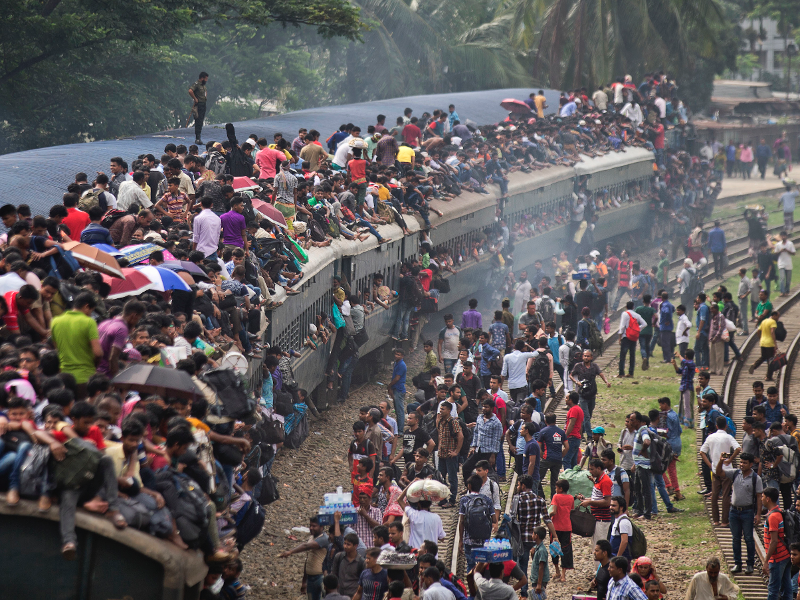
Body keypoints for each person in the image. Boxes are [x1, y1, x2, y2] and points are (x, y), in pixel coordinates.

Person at [50, 291, 103, 399]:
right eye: (91, 311)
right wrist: (94, 366)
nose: (90, 314)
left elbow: (57, 349)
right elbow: (97, 353)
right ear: (86, 306)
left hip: (63, 377)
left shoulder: (55, 321)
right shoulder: (89, 322)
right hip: (84, 376)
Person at [717, 451, 762, 575]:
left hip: (747, 511)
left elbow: (759, 497)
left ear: (751, 464)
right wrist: (721, 461)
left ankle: (750, 564)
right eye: (741, 462)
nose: (742, 464)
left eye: (745, 463)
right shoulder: (735, 473)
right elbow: (719, 473)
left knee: (748, 538)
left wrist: (758, 514)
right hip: (734, 511)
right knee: (736, 538)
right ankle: (737, 563)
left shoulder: (755, 478)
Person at [278, 516, 330, 600]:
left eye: (314, 526)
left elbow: (306, 546)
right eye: (310, 525)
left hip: (320, 577)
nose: (311, 528)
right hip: (310, 577)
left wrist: (290, 552)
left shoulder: (324, 539)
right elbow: (308, 559)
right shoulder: (312, 537)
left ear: (321, 527)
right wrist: (304, 581)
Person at [570, 348, 611, 436]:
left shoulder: (594, 366)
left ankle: (582, 431)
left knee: (589, 414)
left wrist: (606, 382)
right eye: (585, 356)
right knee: (586, 415)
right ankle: (589, 435)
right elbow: (571, 375)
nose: (586, 358)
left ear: (591, 357)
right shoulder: (578, 366)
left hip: (592, 393)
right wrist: (577, 382)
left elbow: (601, 374)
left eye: (588, 356)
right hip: (582, 393)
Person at [762, 487, 793, 600]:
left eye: (763, 497)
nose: (762, 499)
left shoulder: (773, 516)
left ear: (768, 499)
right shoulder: (778, 511)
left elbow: (774, 541)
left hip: (777, 558)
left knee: (773, 590)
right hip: (785, 555)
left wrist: (766, 561)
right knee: (787, 588)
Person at [617, 303, 647, 378]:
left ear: (626, 307)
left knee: (623, 355)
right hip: (633, 337)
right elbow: (644, 324)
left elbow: (622, 326)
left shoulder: (625, 314)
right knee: (632, 355)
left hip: (626, 336)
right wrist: (637, 329)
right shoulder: (636, 315)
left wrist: (620, 336)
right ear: (633, 307)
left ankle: (621, 373)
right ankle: (631, 373)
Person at [749, 309, 780, 380]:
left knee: (763, 357)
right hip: (769, 343)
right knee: (771, 360)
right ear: (774, 316)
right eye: (777, 316)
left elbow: (758, 331)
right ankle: (768, 376)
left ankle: (754, 365)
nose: (778, 318)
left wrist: (761, 339)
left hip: (763, 342)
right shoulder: (773, 322)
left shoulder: (764, 321)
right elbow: (772, 332)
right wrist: (775, 344)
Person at [563, 391, 584, 469]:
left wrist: (565, 436)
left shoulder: (574, 410)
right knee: (573, 461)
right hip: (576, 438)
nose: (565, 399)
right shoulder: (579, 409)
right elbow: (581, 425)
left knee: (566, 460)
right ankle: (573, 478)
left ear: (571, 400)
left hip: (572, 437)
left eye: (566, 398)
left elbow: (571, 424)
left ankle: (567, 479)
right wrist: (580, 436)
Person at [389, 348, 408, 432]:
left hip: (399, 390)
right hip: (396, 388)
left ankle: (400, 431)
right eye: (396, 354)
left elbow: (397, 378)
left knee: (400, 411)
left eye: (398, 355)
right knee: (397, 410)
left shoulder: (401, 365)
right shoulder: (397, 363)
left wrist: (389, 386)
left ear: (402, 356)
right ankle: (399, 429)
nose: (396, 356)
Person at [529, 526, 551, 599]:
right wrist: (532, 554)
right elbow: (536, 562)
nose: (532, 535)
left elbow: (541, 567)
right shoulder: (536, 547)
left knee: (539, 596)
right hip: (536, 578)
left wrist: (539, 584)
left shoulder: (542, 550)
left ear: (536, 536)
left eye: (533, 534)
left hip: (540, 580)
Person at [188, 71, 209, 144]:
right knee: (198, 121)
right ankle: (197, 138)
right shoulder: (197, 84)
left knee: (201, 120)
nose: (206, 80)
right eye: (206, 78)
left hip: (203, 104)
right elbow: (190, 91)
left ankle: (199, 137)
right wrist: (195, 98)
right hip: (198, 105)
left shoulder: (203, 85)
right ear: (202, 78)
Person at [774, 230, 796, 296]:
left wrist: (787, 250)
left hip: (788, 263)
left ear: (786, 236)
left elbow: (794, 253)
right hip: (781, 263)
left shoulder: (790, 244)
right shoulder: (778, 244)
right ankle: (782, 291)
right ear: (781, 237)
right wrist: (780, 251)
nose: (783, 237)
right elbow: (775, 254)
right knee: (782, 278)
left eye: (784, 236)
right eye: (782, 236)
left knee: (788, 279)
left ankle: (787, 291)